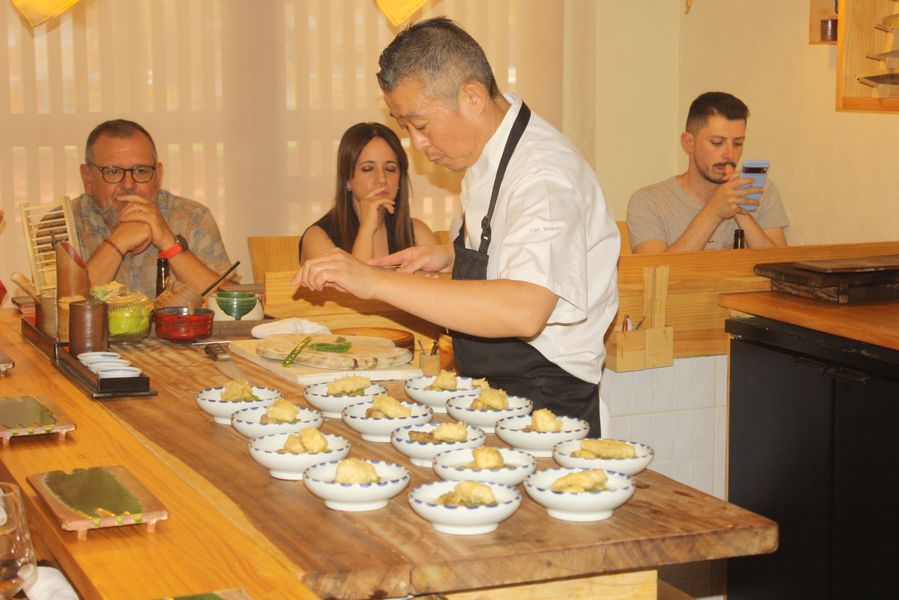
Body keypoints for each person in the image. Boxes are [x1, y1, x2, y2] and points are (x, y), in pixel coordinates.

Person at [295, 17, 619, 436]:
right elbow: (515, 243)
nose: (417, 145)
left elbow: (525, 310)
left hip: (546, 403)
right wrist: (449, 254)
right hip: (493, 391)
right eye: (406, 128)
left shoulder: (543, 174)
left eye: (420, 126)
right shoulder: (487, 154)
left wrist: (373, 281)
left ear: (472, 97)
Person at [74, 120, 233, 297]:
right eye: (113, 171)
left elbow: (227, 304)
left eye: (141, 171)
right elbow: (63, 309)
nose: (128, 184)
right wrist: (118, 242)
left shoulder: (193, 217)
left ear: (158, 175)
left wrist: (168, 243)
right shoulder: (61, 224)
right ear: (87, 178)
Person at [627, 91, 789, 253]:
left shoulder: (760, 191)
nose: (729, 154)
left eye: (738, 143)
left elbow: (781, 264)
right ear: (689, 143)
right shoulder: (649, 202)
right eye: (717, 142)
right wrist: (714, 212)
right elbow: (656, 268)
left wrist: (740, 210)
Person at [300, 122, 438, 262]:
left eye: (390, 169)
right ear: (347, 177)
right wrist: (366, 231)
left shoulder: (417, 232)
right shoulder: (317, 237)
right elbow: (354, 277)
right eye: (368, 169)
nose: (382, 179)